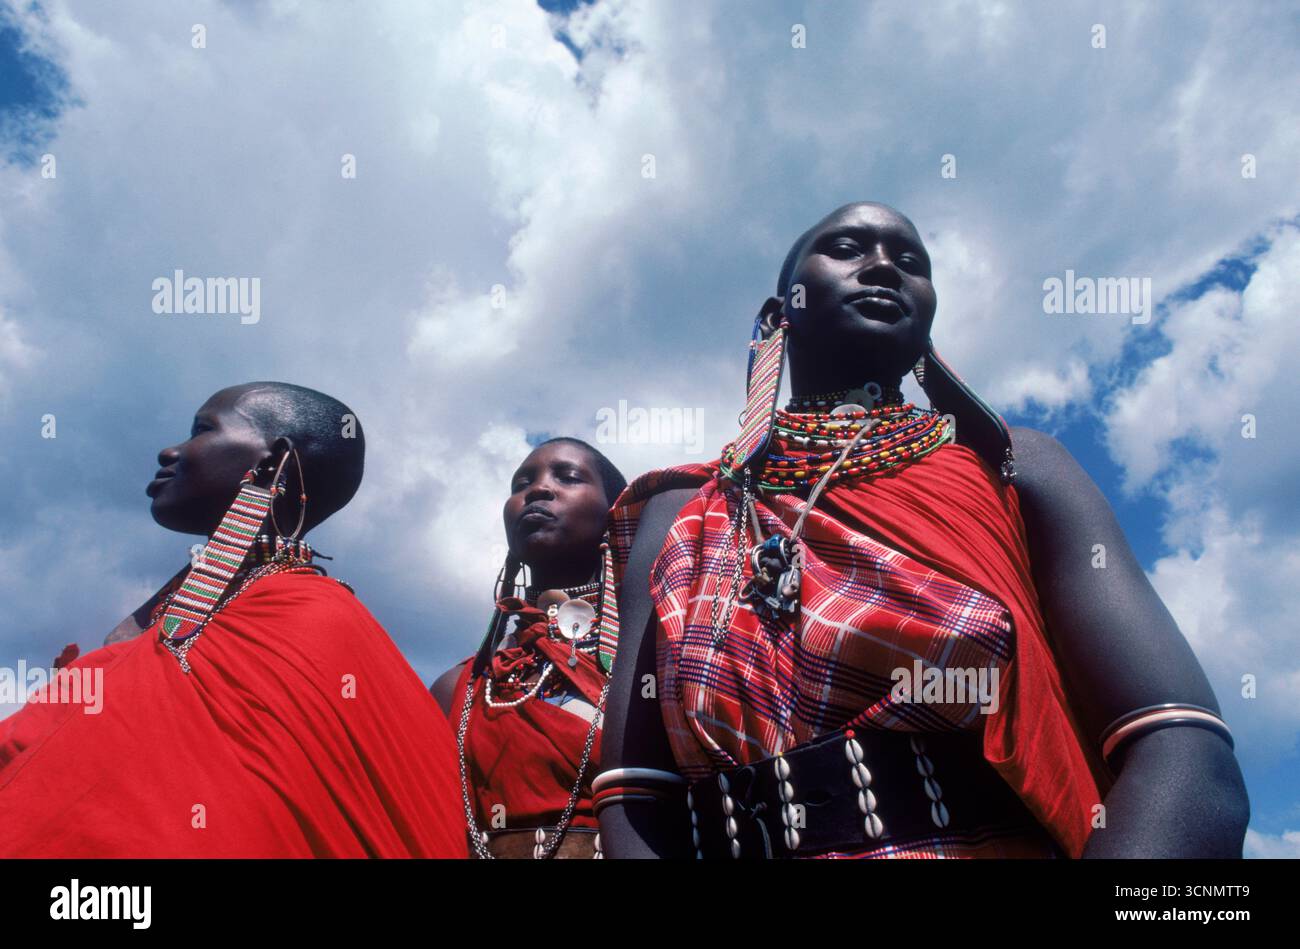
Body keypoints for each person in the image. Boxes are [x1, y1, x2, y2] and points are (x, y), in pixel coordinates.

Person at [596, 203, 1250, 859]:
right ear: (778, 314)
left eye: (910, 261)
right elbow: (634, 795)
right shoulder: (682, 510)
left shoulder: (1013, 470)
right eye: (848, 247)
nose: (882, 265)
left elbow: (1184, 752)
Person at [0, 382, 467, 858]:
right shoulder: (194, 614)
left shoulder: (311, 619)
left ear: (271, 462)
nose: (170, 450)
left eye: (202, 429)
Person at [432, 437, 627, 858]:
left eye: (568, 477)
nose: (536, 489)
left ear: (615, 513)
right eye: (522, 482)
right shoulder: (459, 687)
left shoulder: (653, 660)